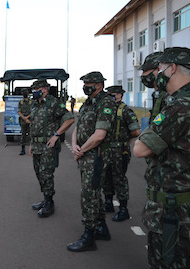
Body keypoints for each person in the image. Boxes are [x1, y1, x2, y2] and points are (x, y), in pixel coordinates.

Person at [133, 47, 190, 268]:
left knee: (167, 261)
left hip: (173, 207)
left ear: (173, 68)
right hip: (183, 201)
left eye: (160, 68)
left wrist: (151, 129)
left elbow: (140, 149)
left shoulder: (179, 105)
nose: (158, 74)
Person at [67, 71, 116, 252]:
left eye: (89, 83)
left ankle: (89, 236)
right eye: (85, 82)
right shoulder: (88, 103)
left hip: (97, 156)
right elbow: (78, 127)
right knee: (94, 193)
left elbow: (99, 135)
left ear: (99, 85)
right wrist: (74, 145)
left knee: (88, 195)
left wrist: (81, 151)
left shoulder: (106, 103)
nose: (85, 85)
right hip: (86, 155)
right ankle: (101, 227)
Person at [29, 79, 74, 218]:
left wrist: (56, 135)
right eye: (33, 89)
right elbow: (34, 125)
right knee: (39, 173)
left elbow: (69, 119)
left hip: (48, 146)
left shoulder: (54, 103)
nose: (34, 92)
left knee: (46, 174)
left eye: (37, 89)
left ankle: (49, 203)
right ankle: (45, 198)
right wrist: (31, 143)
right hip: (36, 145)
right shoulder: (34, 104)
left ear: (45, 89)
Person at [102, 85, 140, 222]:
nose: (110, 97)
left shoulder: (125, 111)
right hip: (106, 149)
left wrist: (126, 140)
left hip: (119, 150)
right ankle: (108, 202)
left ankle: (123, 209)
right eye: (109, 94)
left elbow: (136, 131)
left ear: (120, 95)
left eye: (113, 95)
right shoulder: (107, 109)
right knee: (106, 176)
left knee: (119, 178)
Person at [139, 51, 167, 122]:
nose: (143, 74)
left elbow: (161, 119)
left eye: (145, 71)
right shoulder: (157, 94)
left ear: (158, 69)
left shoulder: (168, 95)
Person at [17, 88, 32, 155]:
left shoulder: (32, 102)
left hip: (30, 120)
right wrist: (25, 118)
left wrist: (27, 117)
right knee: (23, 135)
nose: (25, 94)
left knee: (31, 135)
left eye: (25, 93)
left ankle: (32, 149)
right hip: (23, 121)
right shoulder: (21, 102)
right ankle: (22, 149)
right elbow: (19, 111)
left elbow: (34, 111)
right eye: (23, 93)